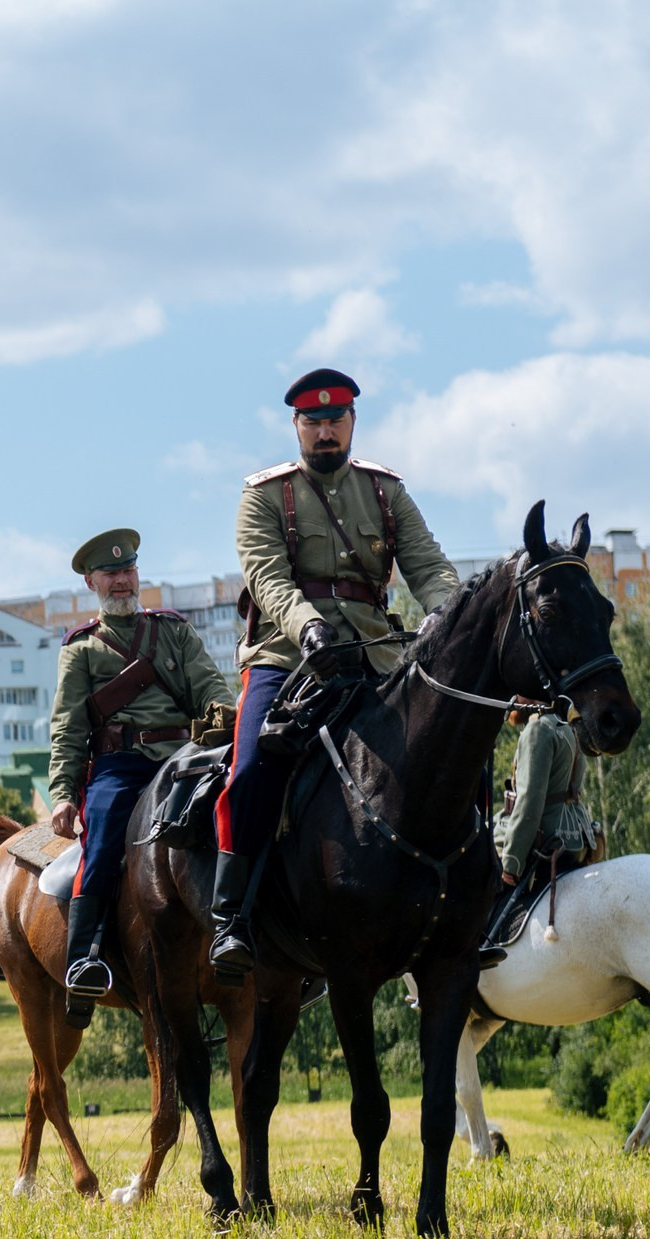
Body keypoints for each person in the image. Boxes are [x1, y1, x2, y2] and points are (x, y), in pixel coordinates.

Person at [210, 367, 463, 980]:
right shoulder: (264, 497)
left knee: (455, 747)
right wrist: (308, 627)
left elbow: (429, 566)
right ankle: (230, 917)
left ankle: (473, 900)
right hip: (290, 656)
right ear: (296, 426)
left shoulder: (386, 493)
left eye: (336, 420)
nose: (326, 432)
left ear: (353, 422)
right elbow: (267, 578)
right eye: (314, 422)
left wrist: (450, 618)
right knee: (250, 767)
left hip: (375, 657)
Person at [47, 528, 229, 1025]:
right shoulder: (81, 649)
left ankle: (257, 937)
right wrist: (63, 794)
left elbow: (210, 687)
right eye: (112, 573)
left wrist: (228, 716)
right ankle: (83, 960)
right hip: (120, 769)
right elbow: (68, 728)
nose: (122, 581)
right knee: (103, 837)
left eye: (128, 570)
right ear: (92, 582)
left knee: (244, 819)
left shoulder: (173, 631)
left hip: (186, 762)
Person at [481, 706, 598, 964]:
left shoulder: (538, 729)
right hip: (575, 832)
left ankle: (468, 954)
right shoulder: (568, 725)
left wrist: (512, 862)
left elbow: (530, 805)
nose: (513, 698)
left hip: (544, 835)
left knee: (472, 856)